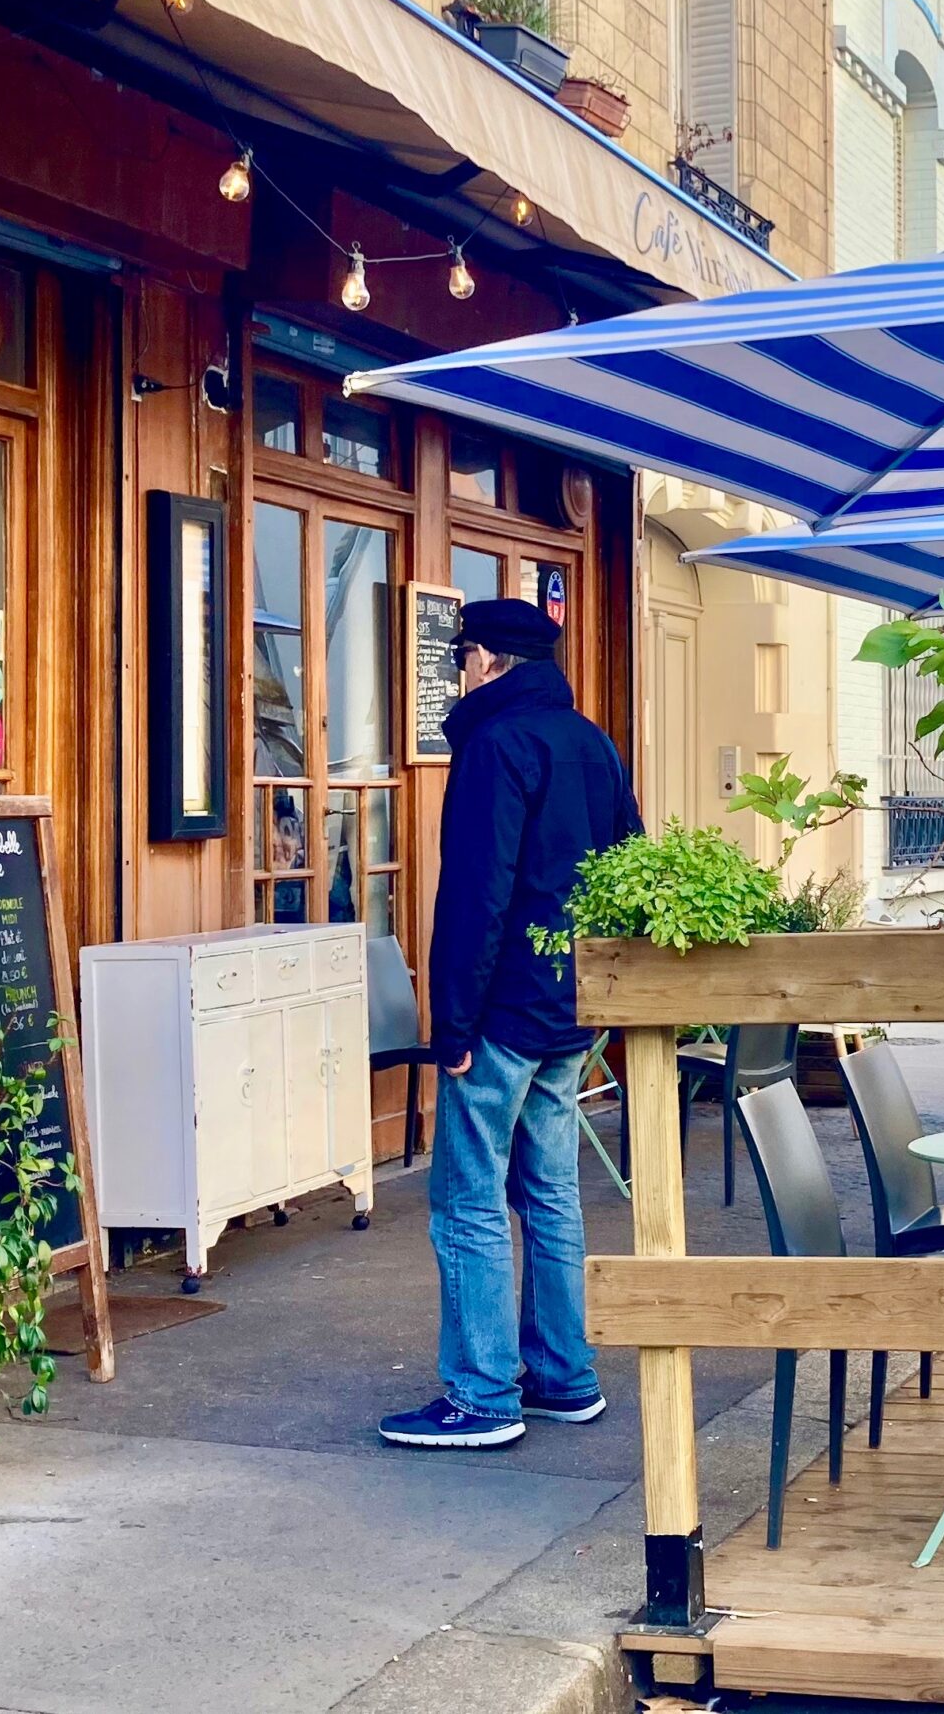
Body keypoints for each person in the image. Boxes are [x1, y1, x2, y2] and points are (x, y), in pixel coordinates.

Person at [379, 599, 642, 1450]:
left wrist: (451, 1025)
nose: (459, 671)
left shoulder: (495, 745)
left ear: (487, 660)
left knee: (467, 1202)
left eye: (463, 658)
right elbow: (626, 867)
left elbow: (475, 896)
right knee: (553, 1194)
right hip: (571, 1006)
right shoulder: (591, 741)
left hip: (501, 1013)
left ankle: (482, 1396)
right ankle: (565, 1378)